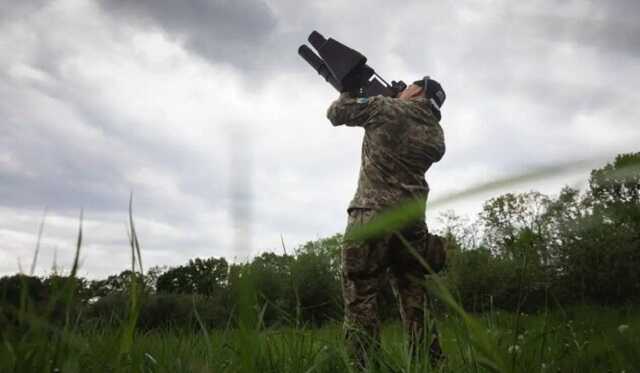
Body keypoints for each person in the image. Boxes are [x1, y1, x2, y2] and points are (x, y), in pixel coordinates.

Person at [326, 77, 447, 370]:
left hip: (373, 214)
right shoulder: (437, 136)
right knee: (414, 296)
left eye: (409, 86)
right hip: (412, 223)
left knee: (361, 294)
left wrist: (347, 88)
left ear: (418, 90)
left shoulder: (385, 108)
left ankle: (365, 366)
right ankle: (429, 365)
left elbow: (336, 114)